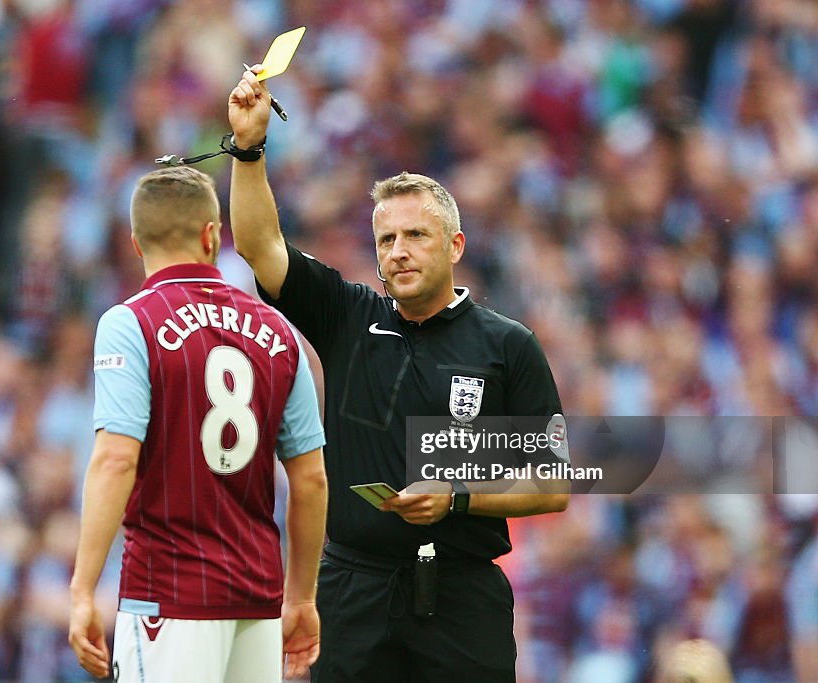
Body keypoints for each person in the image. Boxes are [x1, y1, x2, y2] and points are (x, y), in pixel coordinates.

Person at [227, 68, 571, 682]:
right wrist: (249, 150)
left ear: (456, 245)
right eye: (386, 240)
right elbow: (261, 246)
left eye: (416, 235)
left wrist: (457, 498)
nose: (399, 251)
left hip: (463, 597)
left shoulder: (507, 345)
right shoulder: (348, 316)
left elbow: (552, 482)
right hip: (353, 589)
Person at [68, 166, 328, 683]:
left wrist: (81, 590)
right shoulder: (278, 330)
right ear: (212, 235)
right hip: (257, 598)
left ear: (136, 243)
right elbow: (312, 478)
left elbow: (117, 457)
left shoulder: (130, 323)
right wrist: (300, 598)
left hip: (167, 593)